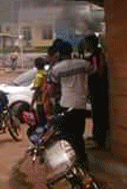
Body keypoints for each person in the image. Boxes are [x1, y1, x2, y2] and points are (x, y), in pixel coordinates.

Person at [49, 41, 91, 169]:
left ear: (58, 53)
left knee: (67, 136)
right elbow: (94, 71)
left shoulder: (57, 69)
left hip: (66, 104)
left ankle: (73, 163)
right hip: (81, 104)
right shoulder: (83, 64)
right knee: (78, 134)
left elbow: (52, 90)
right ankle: (83, 162)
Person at [84, 34, 109, 149]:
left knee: (99, 113)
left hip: (98, 88)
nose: (85, 45)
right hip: (95, 88)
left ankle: (100, 139)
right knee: (96, 113)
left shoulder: (97, 54)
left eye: (86, 43)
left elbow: (99, 70)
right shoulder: (94, 54)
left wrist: (90, 76)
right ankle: (96, 136)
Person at [30, 57, 47, 125]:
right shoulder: (46, 73)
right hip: (47, 100)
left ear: (36, 65)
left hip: (40, 101)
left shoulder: (39, 75)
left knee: (41, 121)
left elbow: (37, 90)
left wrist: (32, 103)